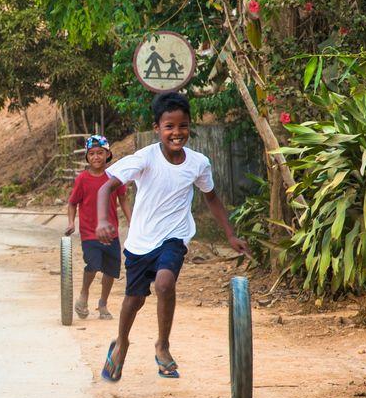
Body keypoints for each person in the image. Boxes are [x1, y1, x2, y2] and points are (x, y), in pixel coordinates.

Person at [96, 92, 249, 382]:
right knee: (134, 299)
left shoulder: (198, 163)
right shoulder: (144, 158)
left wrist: (230, 235)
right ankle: (122, 343)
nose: (176, 133)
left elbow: (212, 198)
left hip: (174, 237)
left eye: (183, 126)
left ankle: (162, 345)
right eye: (169, 127)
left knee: (165, 284)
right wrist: (104, 220)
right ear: (157, 128)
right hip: (141, 241)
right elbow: (106, 188)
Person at [65, 135, 131, 320]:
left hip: (111, 232)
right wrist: (71, 222)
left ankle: (103, 303)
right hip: (89, 233)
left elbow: (123, 199)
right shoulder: (82, 180)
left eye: (100, 153)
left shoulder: (114, 177)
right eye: (92, 153)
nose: (96, 157)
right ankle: (84, 294)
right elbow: (72, 203)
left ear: (108, 154)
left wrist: (132, 221)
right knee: (92, 265)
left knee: (111, 270)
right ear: (87, 157)